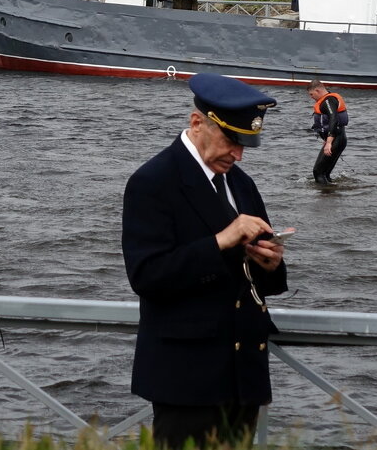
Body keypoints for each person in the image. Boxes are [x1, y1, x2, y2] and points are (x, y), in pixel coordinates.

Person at [122, 73, 289, 450]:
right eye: (231, 140)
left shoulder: (241, 183)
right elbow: (146, 276)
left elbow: (264, 282)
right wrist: (221, 241)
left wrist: (270, 264)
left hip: (243, 376)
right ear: (197, 123)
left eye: (246, 143)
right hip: (186, 380)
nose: (239, 153)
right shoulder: (153, 182)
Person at [307, 79, 348, 185]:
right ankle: (331, 195)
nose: (311, 97)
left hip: (336, 138)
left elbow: (333, 119)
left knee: (318, 172)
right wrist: (327, 140)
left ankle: (324, 199)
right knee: (325, 173)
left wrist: (329, 142)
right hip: (338, 138)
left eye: (312, 94)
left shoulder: (328, 101)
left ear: (318, 90)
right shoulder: (328, 99)